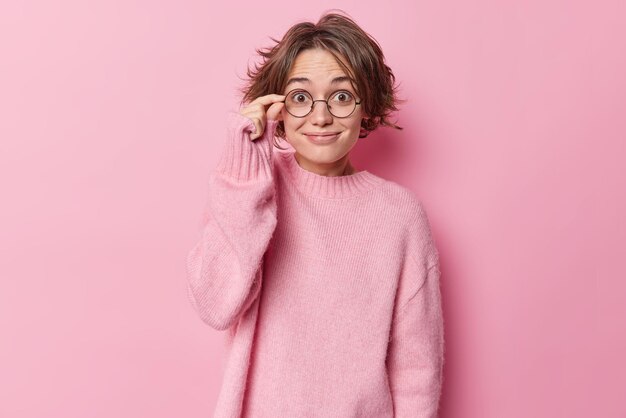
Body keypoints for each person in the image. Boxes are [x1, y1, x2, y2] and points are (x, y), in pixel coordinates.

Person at [186, 11, 444, 418]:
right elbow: (216, 304)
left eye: (341, 96)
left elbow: (417, 368)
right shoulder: (253, 190)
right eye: (301, 97)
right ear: (278, 110)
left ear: (366, 107)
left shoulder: (400, 216)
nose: (321, 116)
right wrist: (244, 166)